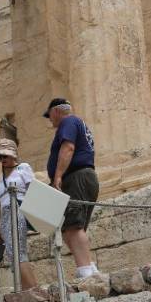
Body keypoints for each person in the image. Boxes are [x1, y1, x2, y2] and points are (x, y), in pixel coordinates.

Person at [44, 98, 102, 277]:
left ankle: (85, 273)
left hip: (76, 178)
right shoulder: (79, 123)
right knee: (72, 227)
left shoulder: (68, 121)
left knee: (73, 227)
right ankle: (89, 268)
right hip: (85, 178)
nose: (50, 120)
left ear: (55, 111)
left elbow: (68, 147)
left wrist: (58, 176)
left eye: (49, 115)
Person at [0, 139, 38, 289]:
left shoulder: (23, 168)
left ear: (13, 155)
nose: (2, 159)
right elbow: (2, 202)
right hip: (5, 215)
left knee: (18, 251)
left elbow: (33, 191)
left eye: (5, 155)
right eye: (0, 156)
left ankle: (33, 289)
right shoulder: (0, 178)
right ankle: (26, 289)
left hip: (18, 209)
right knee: (12, 253)